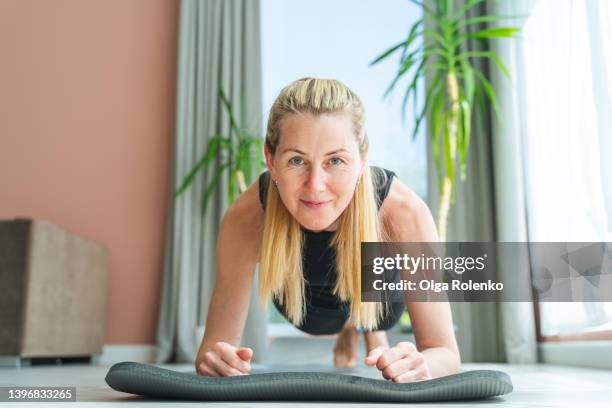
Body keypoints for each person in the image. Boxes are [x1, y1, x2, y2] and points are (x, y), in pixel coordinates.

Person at [195, 78, 460, 383]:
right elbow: (212, 351)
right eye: (296, 160)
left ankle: (369, 328)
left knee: (376, 312)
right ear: (270, 159)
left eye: (335, 160)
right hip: (306, 309)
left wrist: (421, 364)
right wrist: (219, 361)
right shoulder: (246, 218)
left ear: (362, 159)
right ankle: (351, 326)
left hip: (380, 301)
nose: (315, 186)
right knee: (316, 322)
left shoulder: (404, 212)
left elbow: (445, 352)